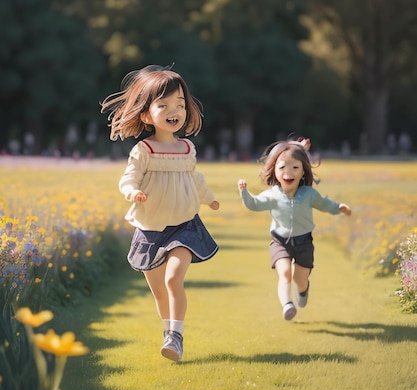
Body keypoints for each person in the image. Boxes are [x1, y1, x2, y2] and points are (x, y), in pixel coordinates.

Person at [101, 65, 220, 361]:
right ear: (145, 115)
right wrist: (132, 192)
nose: (174, 110)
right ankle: (168, 332)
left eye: (180, 104)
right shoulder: (143, 151)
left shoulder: (187, 148)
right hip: (150, 230)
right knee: (159, 291)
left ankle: (176, 336)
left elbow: (195, 178)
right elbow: (128, 178)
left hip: (185, 226)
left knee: (173, 279)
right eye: (164, 105)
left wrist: (209, 199)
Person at [237, 139, 351, 321]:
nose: (288, 173)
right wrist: (244, 192)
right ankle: (287, 305)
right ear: (274, 169)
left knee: (300, 279)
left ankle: (303, 290)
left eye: (295, 168)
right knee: (284, 273)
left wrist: (339, 208)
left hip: (303, 242)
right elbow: (254, 204)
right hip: (279, 241)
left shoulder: (308, 194)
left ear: (303, 170)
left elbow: (324, 204)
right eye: (282, 167)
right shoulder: (272, 195)